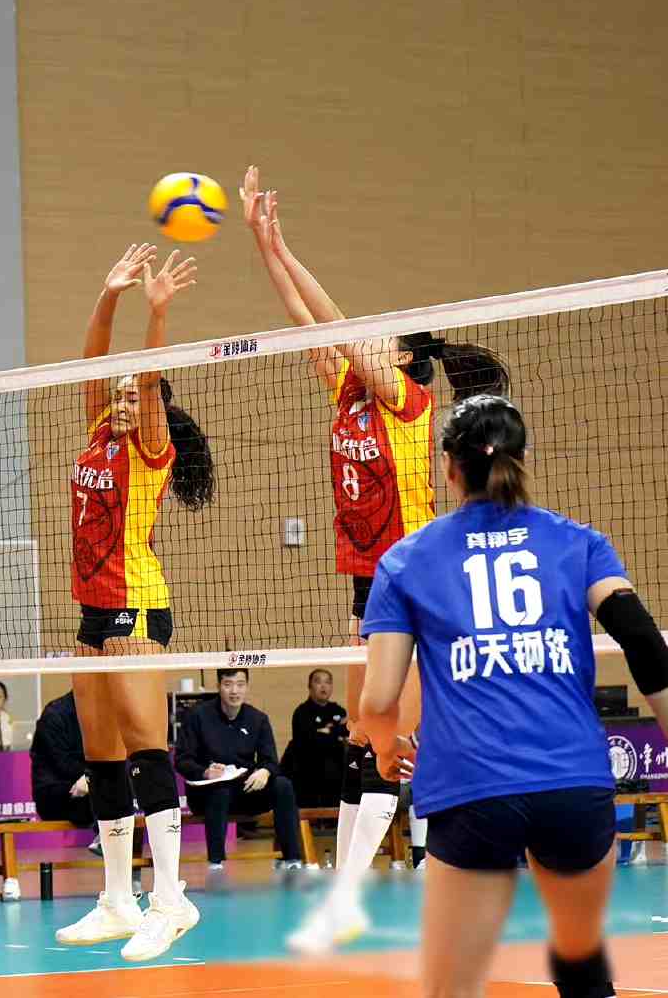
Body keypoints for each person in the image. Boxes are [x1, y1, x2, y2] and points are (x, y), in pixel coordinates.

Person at [241, 168, 510, 951]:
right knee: (366, 736)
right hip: (369, 580)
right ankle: (352, 890)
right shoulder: (347, 395)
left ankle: (383, 882)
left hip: (418, 574)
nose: (362, 342)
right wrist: (268, 247)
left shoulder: (406, 401)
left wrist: (286, 246)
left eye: (379, 340)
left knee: (390, 738)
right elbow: (307, 325)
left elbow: (337, 322)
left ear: (402, 362)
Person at [352, 394, 668, 997]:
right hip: (572, 780)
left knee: (452, 987)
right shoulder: (579, 543)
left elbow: (379, 699)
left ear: (449, 467)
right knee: (581, 963)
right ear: (524, 458)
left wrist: (388, 750)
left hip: (472, 785)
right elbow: (641, 639)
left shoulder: (405, 561)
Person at [56, 245, 214, 963]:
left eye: (132, 395)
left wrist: (155, 312)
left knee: (147, 749)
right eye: (116, 395)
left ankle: (171, 899)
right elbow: (94, 361)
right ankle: (117, 897)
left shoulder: (151, 447)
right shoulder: (99, 432)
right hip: (92, 610)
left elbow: (147, 377)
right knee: (101, 754)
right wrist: (108, 293)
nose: (121, 400)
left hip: (137, 605)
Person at [174, 670, 305, 868]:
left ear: (247, 687)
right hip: (207, 793)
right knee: (220, 791)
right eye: (228, 684)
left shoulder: (258, 719)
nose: (234, 691)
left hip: (244, 791)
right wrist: (205, 772)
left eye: (240, 684)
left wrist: (265, 771)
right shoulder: (197, 716)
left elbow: (270, 760)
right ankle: (216, 863)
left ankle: (292, 859)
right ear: (218, 686)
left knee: (283, 785)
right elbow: (182, 760)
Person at [29, 692, 95, 830]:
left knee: (120, 789)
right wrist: (94, 777)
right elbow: (62, 763)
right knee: (106, 796)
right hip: (56, 791)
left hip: (88, 783)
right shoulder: (54, 714)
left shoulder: (99, 710)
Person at [286, 669, 347, 808]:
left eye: (328, 682)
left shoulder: (338, 711)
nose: (323, 686)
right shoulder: (301, 712)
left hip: (336, 770)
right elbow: (309, 741)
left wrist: (326, 731)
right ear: (310, 686)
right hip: (308, 770)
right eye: (318, 682)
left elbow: (346, 733)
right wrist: (334, 733)